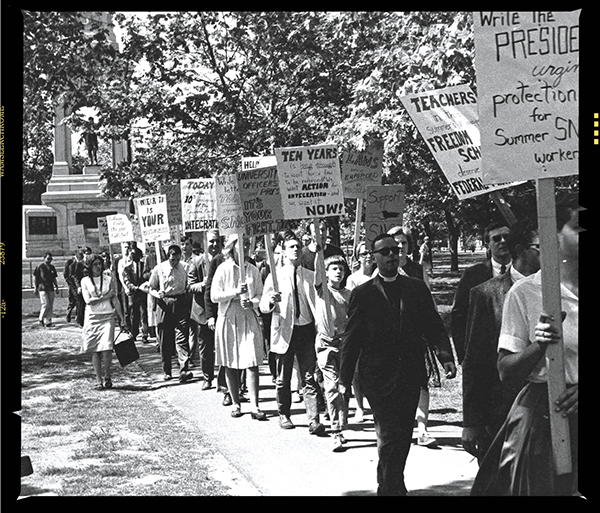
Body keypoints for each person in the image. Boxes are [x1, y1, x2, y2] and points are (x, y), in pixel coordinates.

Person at [471, 196, 579, 496]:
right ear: (553, 236)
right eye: (579, 226)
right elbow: (506, 371)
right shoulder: (526, 292)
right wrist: (539, 345)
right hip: (545, 419)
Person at [340, 233, 456, 496]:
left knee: (402, 434)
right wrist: (344, 381)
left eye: (395, 250)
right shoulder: (363, 293)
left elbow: (433, 325)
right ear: (374, 258)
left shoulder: (415, 288)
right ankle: (391, 487)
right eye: (385, 251)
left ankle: (390, 479)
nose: (392, 254)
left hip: (410, 372)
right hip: (377, 376)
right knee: (389, 432)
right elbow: (352, 338)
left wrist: (445, 356)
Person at [462, 219, 540, 464]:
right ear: (522, 251)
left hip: (545, 410)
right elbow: (474, 360)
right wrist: (472, 422)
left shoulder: (557, 290)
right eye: (540, 247)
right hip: (499, 410)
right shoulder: (485, 294)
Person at [260, 230, 326, 435]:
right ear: (283, 251)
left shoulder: (310, 276)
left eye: (298, 246)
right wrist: (271, 301)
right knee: (283, 377)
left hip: (305, 330)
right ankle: (284, 413)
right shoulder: (275, 276)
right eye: (291, 247)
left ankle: (313, 419)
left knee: (309, 376)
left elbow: (319, 304)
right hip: (284, 331)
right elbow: (263, 306)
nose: (296, 250)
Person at [388, 226, 441, 448]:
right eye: (396, 243)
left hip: (414, 334)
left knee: (421, 383)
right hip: (389, 337)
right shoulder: (380, 269)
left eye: (404, 243)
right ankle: (397, 427)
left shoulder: (418, 270)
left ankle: (422, 429)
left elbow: (429, 304)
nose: (399, 248)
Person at [211, 235, 267, 420]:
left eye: (247, 245)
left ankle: (254, 405)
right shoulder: (222, 269)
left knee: (251, 360)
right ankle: (236, 402)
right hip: (228, 317)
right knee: (230, 361)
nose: (244, 249)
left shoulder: (252, 270)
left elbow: (260, 294)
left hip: (247, 316)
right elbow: (214, 296)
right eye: (241, 245)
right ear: (232, 248)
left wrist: (253, 302)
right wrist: (234, 292)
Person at [451, 221, 512, 364]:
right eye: (496, 238)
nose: (502, 241)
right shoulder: (472, 275)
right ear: (487, 245)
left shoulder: (526, 272)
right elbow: (459, 316)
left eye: (506, 237)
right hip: (483, 358)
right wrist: (464, 355)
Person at [314, 253, 351, 451]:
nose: (338, 272)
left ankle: (342, 426)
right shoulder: (323, 291)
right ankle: (335, 431)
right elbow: (317, 275)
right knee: (332, 386)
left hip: (344, 344)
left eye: (341, 269)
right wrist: (319, 251)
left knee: (344, 388)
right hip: (326, 345)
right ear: (326, 273)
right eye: (333, 269)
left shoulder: (348, 294)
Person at [148, 244, 193, 383]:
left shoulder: (185, 267)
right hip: (165, 303)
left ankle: (183, 369)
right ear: (168, 257)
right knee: (165, 338)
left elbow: (188, 285)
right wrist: (157, 294)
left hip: (180, 302)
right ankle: (167, 370)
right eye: (173, 260)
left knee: (182, 336)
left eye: (178, 259)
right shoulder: (159, 269)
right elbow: (151, 287)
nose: (175, 263)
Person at [80, 254, 126, 389]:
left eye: (100, 264)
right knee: (95, 349)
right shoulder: (85, 281)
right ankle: (98, 379)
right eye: (95, 264)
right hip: (92, 317)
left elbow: (115, 299)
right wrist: (106, 296)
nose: (98, 267)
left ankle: (108, 376)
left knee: (106, 347)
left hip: (108, 316)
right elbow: (88, 301)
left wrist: (121, 317)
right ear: (89, 266)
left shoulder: (108, 279)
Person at [188, 229, 222, 390]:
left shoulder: (225, 260)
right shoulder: (196, 262)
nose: (214, 244)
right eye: (211, 241)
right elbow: (189, 286)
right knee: (206, 347)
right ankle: (207, 377)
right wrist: (204, 284)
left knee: (223, 345)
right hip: (202, 311)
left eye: (217, 241)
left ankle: (224, 381)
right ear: (204, 243)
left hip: (222, 309)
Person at [345, 241, 375, 423]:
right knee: (357, 371)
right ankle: (359, 406)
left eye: (371, 252)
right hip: (360, 328)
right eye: (363, 253)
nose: (368, 256)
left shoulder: (381, 275)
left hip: (379, 328)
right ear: (358, 257)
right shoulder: (353, 279)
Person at [122, 247, 149, 344]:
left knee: (144, 314)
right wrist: (133, 287)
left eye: (135, 254)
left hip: (143, 293)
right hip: (133, 294)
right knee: (134, 314)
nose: (133, 256)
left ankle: (145, 334)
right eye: (132, 254)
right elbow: (126, 281)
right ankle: (134, 333)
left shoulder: (145, 267)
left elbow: (148, 277)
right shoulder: (127, 268)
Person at [33, 252, 60, 327]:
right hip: (42, 287)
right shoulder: (40, 267)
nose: (49, 260)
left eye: (51, 259)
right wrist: (35, 288)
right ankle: (41, 319)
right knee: (45, 303)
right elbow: (35, 278)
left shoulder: (52, 267)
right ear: (44, 258)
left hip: (50, 287)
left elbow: (54, 278)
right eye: (48, 258)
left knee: (50, 304)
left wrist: (57, 287)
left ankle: (48, 320)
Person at [64, 250, 83, 323]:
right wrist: (69, 282)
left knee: (78, 300)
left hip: (80, 283)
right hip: (72, 284)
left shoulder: (82, 263)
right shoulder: (70, 262)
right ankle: (69, 312)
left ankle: (78, 315)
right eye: (80, 253)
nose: (82, 255)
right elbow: (66, 273)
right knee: (73, 300)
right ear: (76, 253)